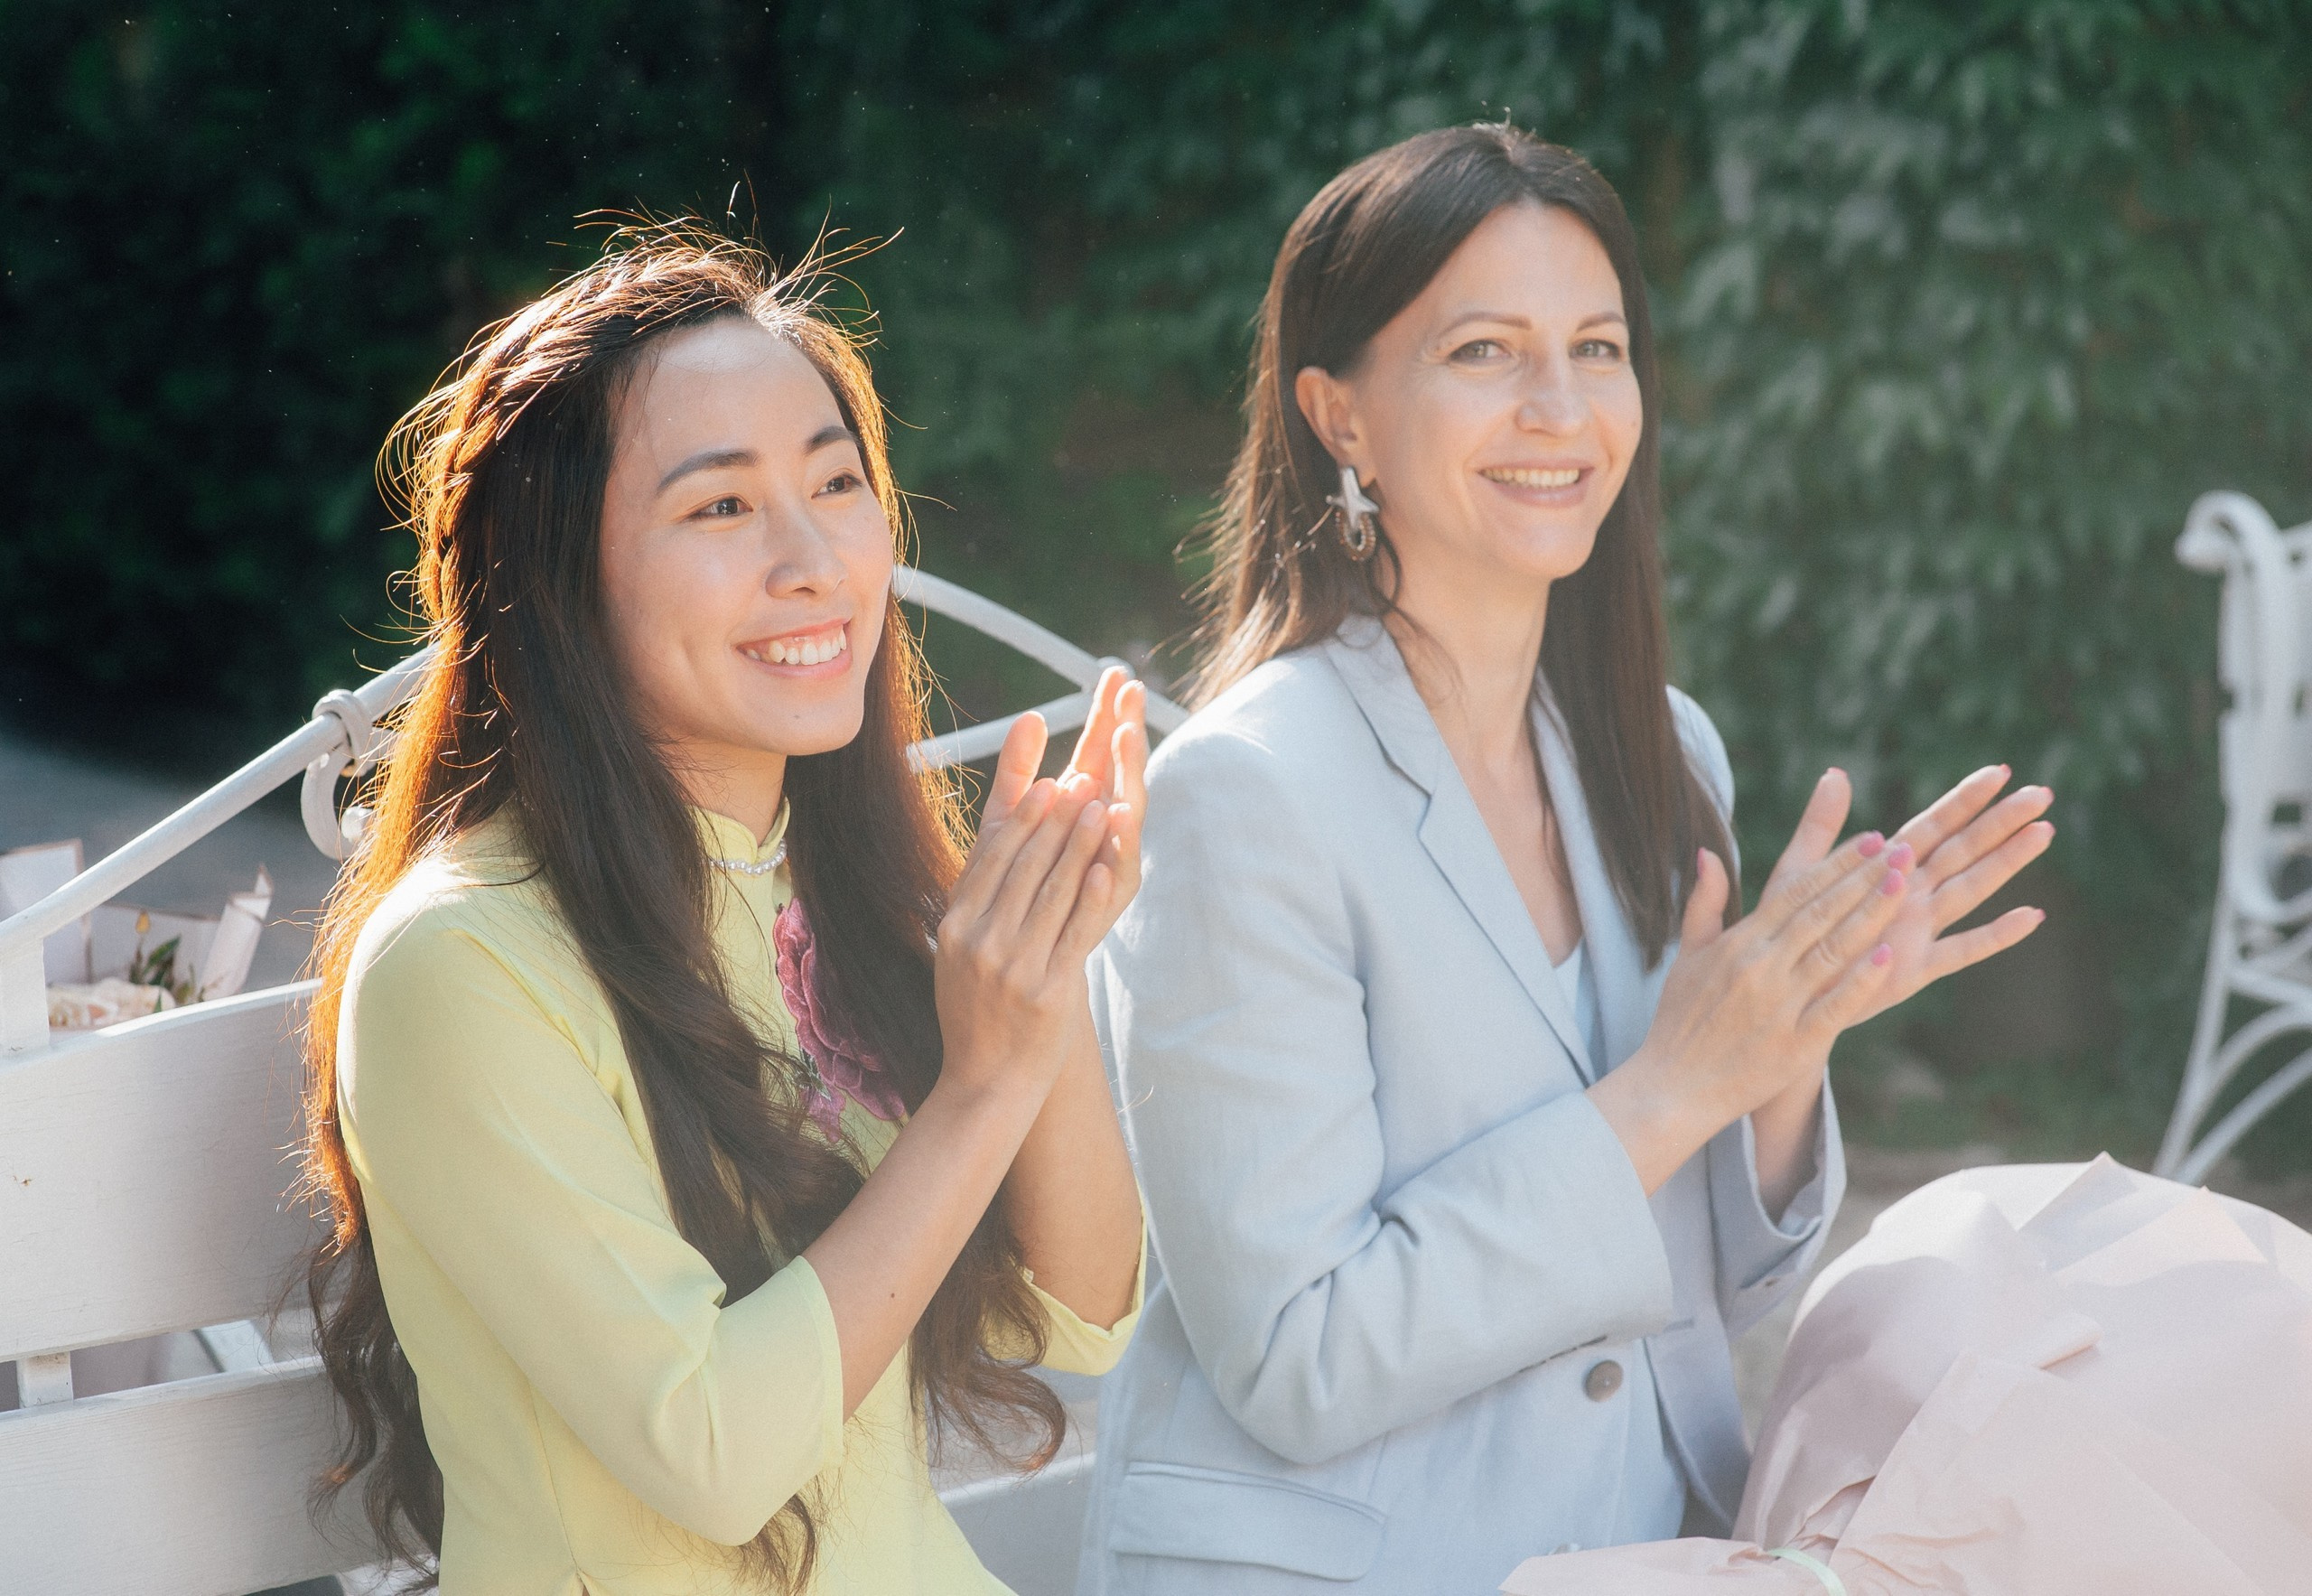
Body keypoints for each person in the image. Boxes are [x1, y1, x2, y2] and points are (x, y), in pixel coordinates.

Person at [1077, 125, 2056, 1595]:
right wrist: (1674, 1086)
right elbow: (1302, 1356)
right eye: (1485, 352)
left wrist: (1785, 1045)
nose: (1561, 408)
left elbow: (1710, 1298)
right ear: (1337, 414)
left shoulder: (1661, 753)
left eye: (1598, 349)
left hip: (1642, 1551)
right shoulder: (1244, 796)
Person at [296, 228, 1147, 1595]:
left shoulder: (824, 884)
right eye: (720, 508)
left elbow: (1083, 1316)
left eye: (835, 484)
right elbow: (711, 1454)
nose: (814, 560)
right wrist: (983, 1086)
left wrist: (1039, 983)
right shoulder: (456, 967)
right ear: (563, 584)